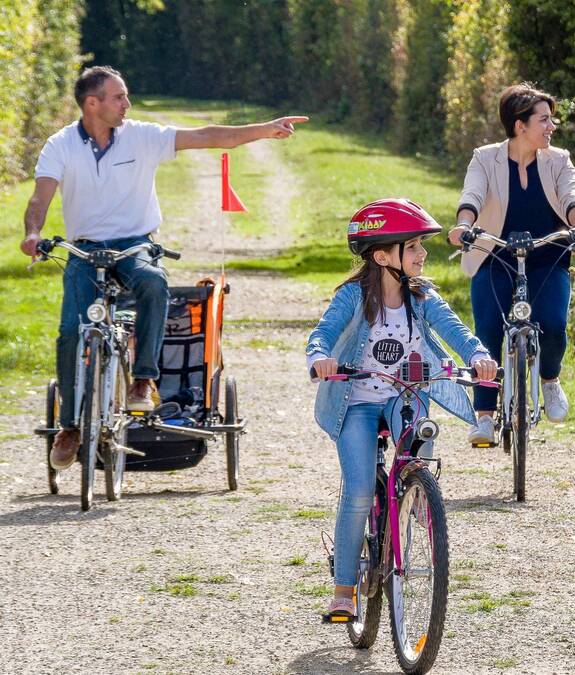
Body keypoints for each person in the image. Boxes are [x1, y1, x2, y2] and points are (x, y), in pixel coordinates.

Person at [20, 65, 308, 470]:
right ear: (92, 103)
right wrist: (33, 233)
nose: (127, 103)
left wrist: (264, 129)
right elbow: (40, 198)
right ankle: (70, 426)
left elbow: (207, 135)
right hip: (85, 250)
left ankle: (142, 380)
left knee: (154, 282)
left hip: (135, 244)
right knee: (71, 331)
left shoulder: (141, 136)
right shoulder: (61, 145)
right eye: (118, 97)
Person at [306, 198, 497, 617]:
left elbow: (456, 331)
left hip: (402, 395)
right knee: (358, 490)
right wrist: (320, 357)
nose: (423, 254)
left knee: (420, 439)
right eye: (413, 247)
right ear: (382, 255)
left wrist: (479, 353)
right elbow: (323, 334)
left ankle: (414, 498)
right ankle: (343, 588)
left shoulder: (423, 296)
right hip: (356, 401)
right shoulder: (354, 297)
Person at [447, 82, 575, 446]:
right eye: (544, 120)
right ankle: (483, 417)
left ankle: (549, 380)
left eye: (551, 120)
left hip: (548, 255)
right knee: (487, 332)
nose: (551, 127)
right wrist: (464, 226)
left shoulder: (558, 159)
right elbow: (473, 194)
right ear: (520, 125)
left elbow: (571, 194)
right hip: (495, 254)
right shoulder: (485, 158)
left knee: (554, 324)